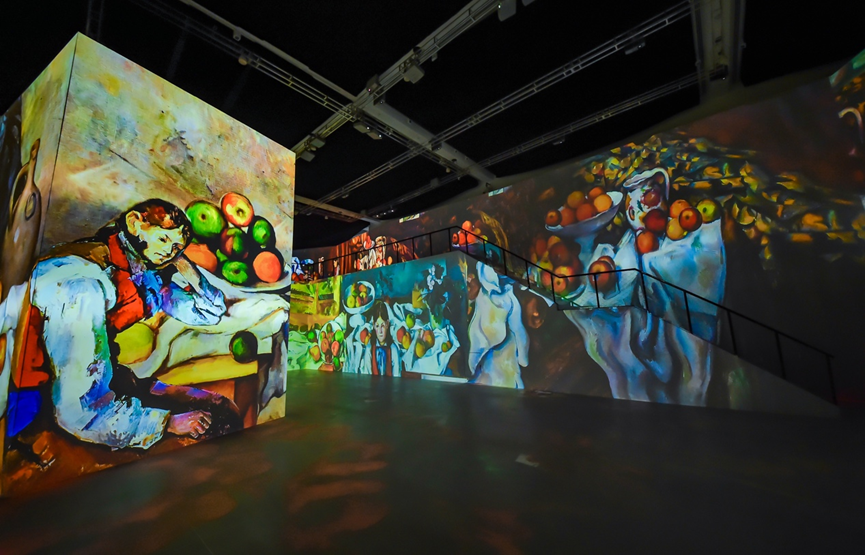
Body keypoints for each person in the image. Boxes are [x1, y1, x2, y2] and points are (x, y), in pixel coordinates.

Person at [1, 199, 242, 452]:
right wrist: (167, 423)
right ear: (134, 223)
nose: (169, 252)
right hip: (36, 401)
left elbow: (210, 312)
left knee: (221, 410)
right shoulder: (79, 284)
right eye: (163, 240)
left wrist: (183, 263)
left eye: (176, 247)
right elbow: (79, 411)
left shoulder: (140, 273)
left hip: (104, 382)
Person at [369, 300, 400, 377]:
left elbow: (397, 376)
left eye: (382, 325)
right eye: (377, 326)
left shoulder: (393, 349)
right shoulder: (369, 349)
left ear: (387, 324)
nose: (380, 331)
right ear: (373, 325)